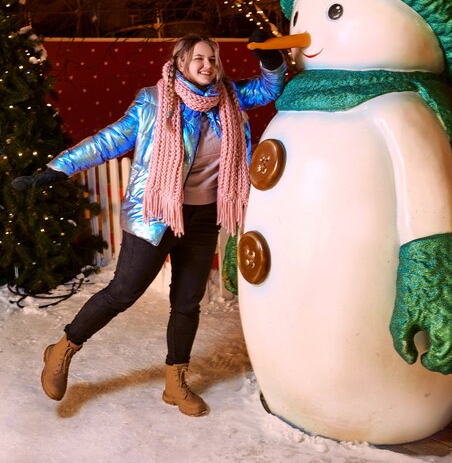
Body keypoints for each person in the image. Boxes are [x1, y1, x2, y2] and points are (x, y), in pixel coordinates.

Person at [13, 32, 286, 417]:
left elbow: (270, 86)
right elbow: (110, 140)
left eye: (212, 58)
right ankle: (62, 350)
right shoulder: (153, 101)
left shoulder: (230, 97)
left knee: (188, 302)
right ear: (179, 64)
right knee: (123, 292)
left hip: (204, 217)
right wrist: (57, 169)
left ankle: (176, 382)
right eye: (197, 60)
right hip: (156, 214)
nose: (207, 65)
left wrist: (270, 57)